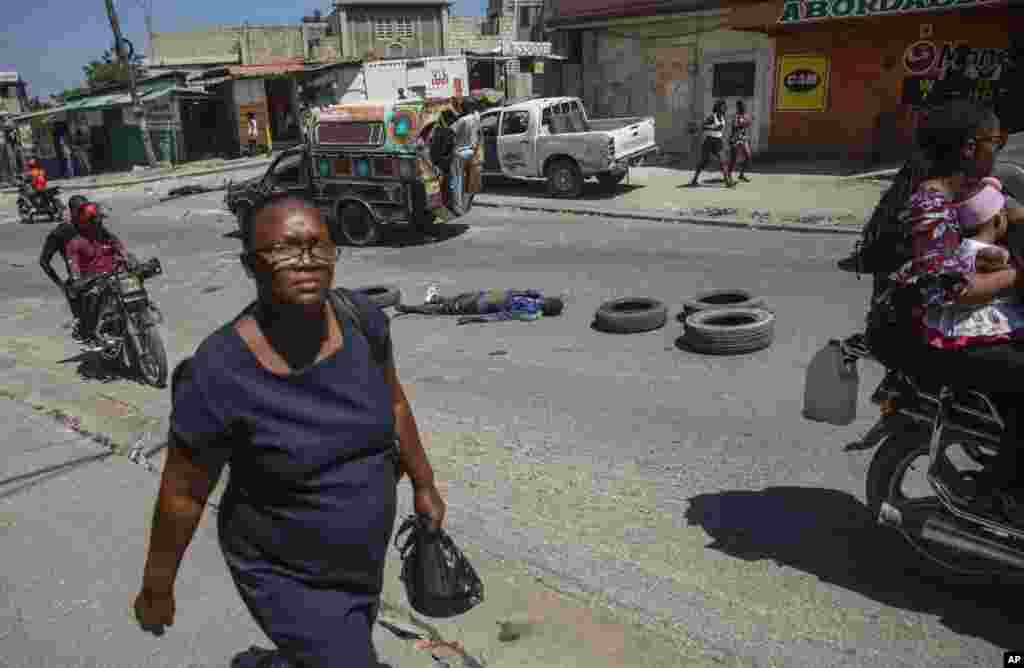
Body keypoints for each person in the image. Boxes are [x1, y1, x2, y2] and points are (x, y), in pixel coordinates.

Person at [133, 195, 446, 668]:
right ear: (251, 265)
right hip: (283, 569)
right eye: (285, 250)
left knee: (335, 649)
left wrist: (424, 484)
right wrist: (157, 587)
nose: (308, 262)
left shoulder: (363, 322)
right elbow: (182, 494)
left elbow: (395, 403)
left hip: (361, 557)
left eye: (319, 248)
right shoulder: (217, 373)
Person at [863, 100, 1024, 515]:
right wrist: (1019, 275)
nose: (1000, 148)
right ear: (970, 147)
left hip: (964, 311)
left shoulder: (974, 185)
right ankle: (995, 493)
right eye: (996, 140)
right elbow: (950, 291)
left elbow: (1012, 213)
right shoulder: (929, 202)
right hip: (924, 329)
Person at [396, 287, 564, 324]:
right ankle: (435, 298)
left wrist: (473, 319)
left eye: (548, 302)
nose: (545, 299)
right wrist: (529, 292)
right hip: (487, 295)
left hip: (482, 305)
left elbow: (502, 316)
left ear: (547, 308)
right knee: (456, 298)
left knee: (446, 308)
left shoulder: (531, 312)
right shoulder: (536, 298)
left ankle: (411, 308)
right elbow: (526, 291)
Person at [689, 100, 735, 188]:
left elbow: (720, 129)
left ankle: (727, 182)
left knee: (723, 161)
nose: (725, 108)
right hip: (709, 141)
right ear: (718, 107)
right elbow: (702, 127)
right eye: (723, 106)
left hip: (718, 141)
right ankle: (694, 179)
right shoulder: (711, 117)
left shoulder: (723, 116)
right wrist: (714, 128)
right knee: (704, 162)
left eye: (725, 107)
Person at [727, 100, 753, 184]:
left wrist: (747, 122)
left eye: (744, 106)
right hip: (735, 138)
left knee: (748, 156)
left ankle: (741, 175)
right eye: (741, 106)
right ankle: (729, 176)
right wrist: (745, 123)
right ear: (738, 107)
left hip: (743, 138)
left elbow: (748, 124)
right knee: (733, 159)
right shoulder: (736, 116)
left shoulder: (746, 115)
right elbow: (736, 126)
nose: (743, 108)